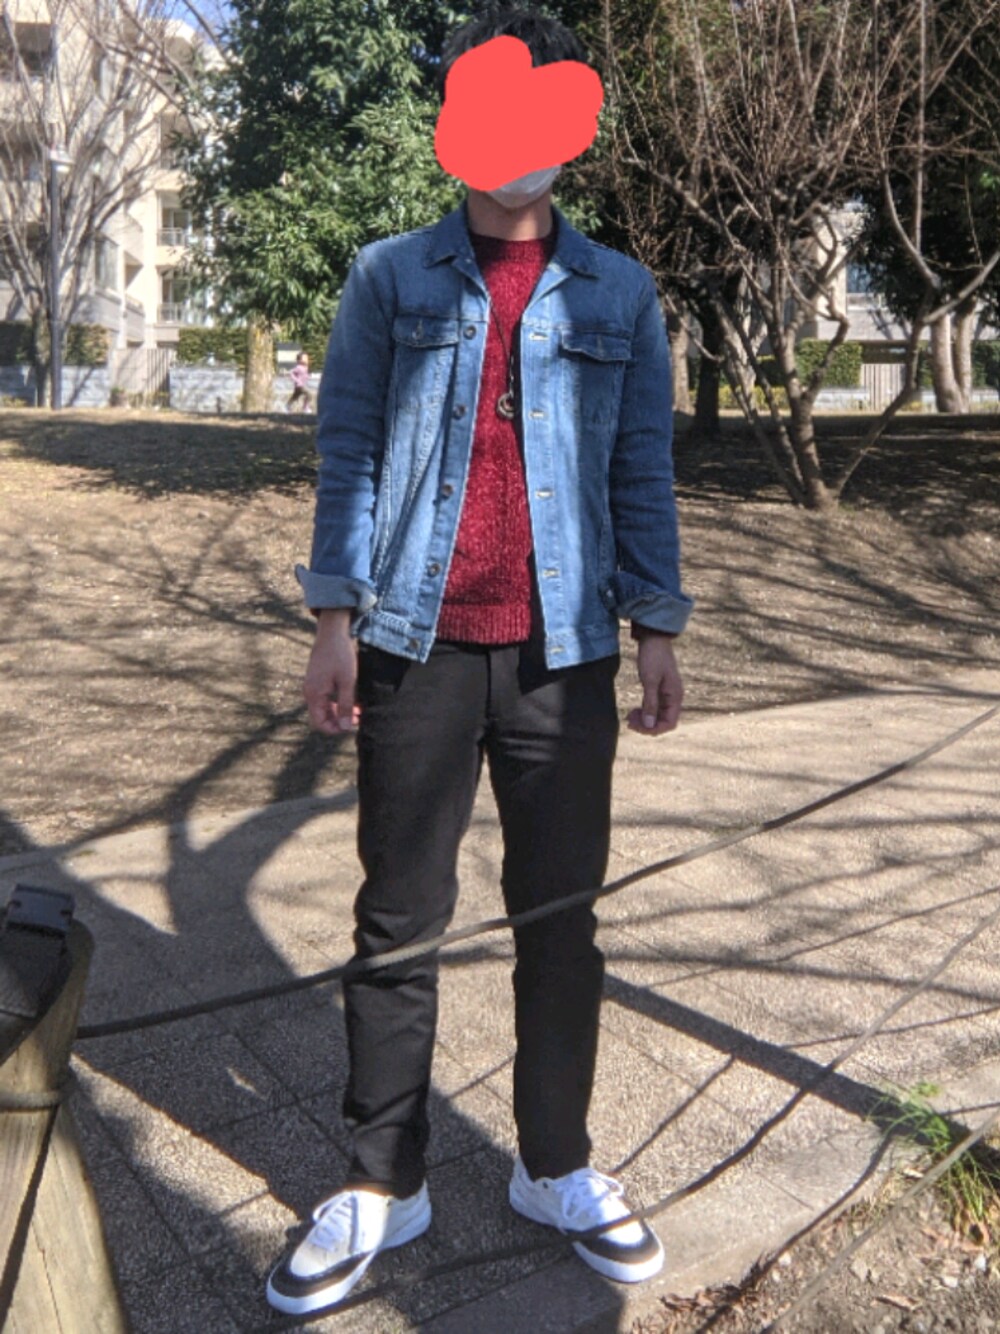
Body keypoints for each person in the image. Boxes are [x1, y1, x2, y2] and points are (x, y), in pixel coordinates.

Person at [266, 5, 693, 1317]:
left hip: (566, 656)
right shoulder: (390, 277)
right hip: (415, 645)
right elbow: (349, 445)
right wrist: (334, 619)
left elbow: (640, 464)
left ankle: (552, 1165)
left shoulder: (619, 290)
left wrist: (658, 624)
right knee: (398, 919)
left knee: (561, 922)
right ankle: (382, 1178)